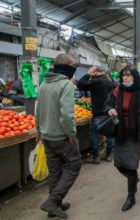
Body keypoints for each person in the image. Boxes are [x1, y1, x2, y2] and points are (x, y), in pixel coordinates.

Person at [36, 54, 81, 219]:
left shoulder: (43, 84)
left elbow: (38, 110)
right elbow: (67, 115)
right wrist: (71, 134)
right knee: (74, 166)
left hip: (47, 137)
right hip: (62, 137)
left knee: (55, 172)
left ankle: (54, 206)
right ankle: (52, 201)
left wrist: (39, 131)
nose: (75, 67)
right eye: (73, 64)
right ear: (67, 67)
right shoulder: (66, 85)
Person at [105, 66, 140, 212]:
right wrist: (109, 109)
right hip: (121, 132)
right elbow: (106, 104)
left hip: (136, 133)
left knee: (131, 165)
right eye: (123, 75)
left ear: (134, 76)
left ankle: (131, 196)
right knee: (119, 164)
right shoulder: (117, 90)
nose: (125, 78)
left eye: (128, 75)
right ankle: (133, 180)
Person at [77, 65, 115, 163]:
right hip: (110, 112)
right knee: (110, 134)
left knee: (93, 133)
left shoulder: (98, 81)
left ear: (98, 72)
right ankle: (108, 155)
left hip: (99, 112)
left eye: (94, 72)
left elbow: (80, 84)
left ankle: (96, 157)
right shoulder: (110, 82)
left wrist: (88, 74)